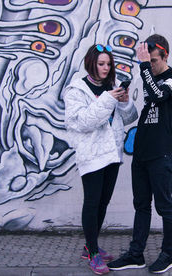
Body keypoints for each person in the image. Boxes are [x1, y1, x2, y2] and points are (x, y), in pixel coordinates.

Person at [107, 34, 172, 274]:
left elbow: (160, 96)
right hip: (141, 155)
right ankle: (136, 254)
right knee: (141, 206)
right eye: (147, 61)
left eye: (153, 61)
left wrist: (143, 67)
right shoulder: (151, 77)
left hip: (161, 156)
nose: (150, 65)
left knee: (164, 207)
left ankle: (168, 254)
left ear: (165, 56)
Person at [63, 44, 138, 275]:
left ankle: (90, 246)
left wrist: (124, 101)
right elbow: (82, 122)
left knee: (103, 202)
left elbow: (128, 118)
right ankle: (93, 254)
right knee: (92, 202)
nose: (106, 68)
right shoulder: (76, 90)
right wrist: (107, 99)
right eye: (101, 64)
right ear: (91, 63)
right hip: (91, 154)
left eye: (108, 64)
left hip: (112, 153)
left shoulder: (111, 88)